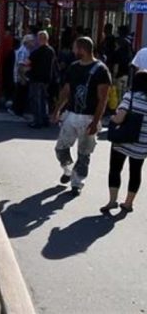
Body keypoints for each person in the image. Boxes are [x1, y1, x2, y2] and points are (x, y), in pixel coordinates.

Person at [51, 37, 111, 196]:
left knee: (84, 153)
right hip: (71, 114)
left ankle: (77, 183)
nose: (73, 51)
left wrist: (96, 121)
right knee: (60, 148)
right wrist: (57, 109)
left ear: (82, 49)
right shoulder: (74, 67)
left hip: (89, 117)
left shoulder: (101, 70)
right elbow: (66, 90)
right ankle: (69, 170)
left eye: (75, 48)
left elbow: (103, 99)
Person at [101, 71, 147, 213]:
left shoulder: (130, 97)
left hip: (123, 141)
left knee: (115, 169)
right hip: (142, 144)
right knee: (135, 172)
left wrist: (113, 119)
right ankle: (128, 203)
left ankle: (112, 201)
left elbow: (119, 118)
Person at [27, 31, 55, 128]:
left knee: (36, 100)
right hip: (47, 78)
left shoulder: (36, 51)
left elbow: (27, 62)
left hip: (36, 77)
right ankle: (45, 119)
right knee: (44, 100)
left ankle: (37, 121)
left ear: (39, 39)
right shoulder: (51, 51)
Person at [10, 34, 35, 117]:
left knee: (21, 94)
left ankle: (18, 110)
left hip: (24, 76)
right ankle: (17, 111)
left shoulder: (27, 50)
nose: (33, 43)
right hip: (21, 77)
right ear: (27, 42)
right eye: (31, 41)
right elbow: (20, 66)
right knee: (20, 95)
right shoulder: (23, 51)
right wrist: (23, 78)